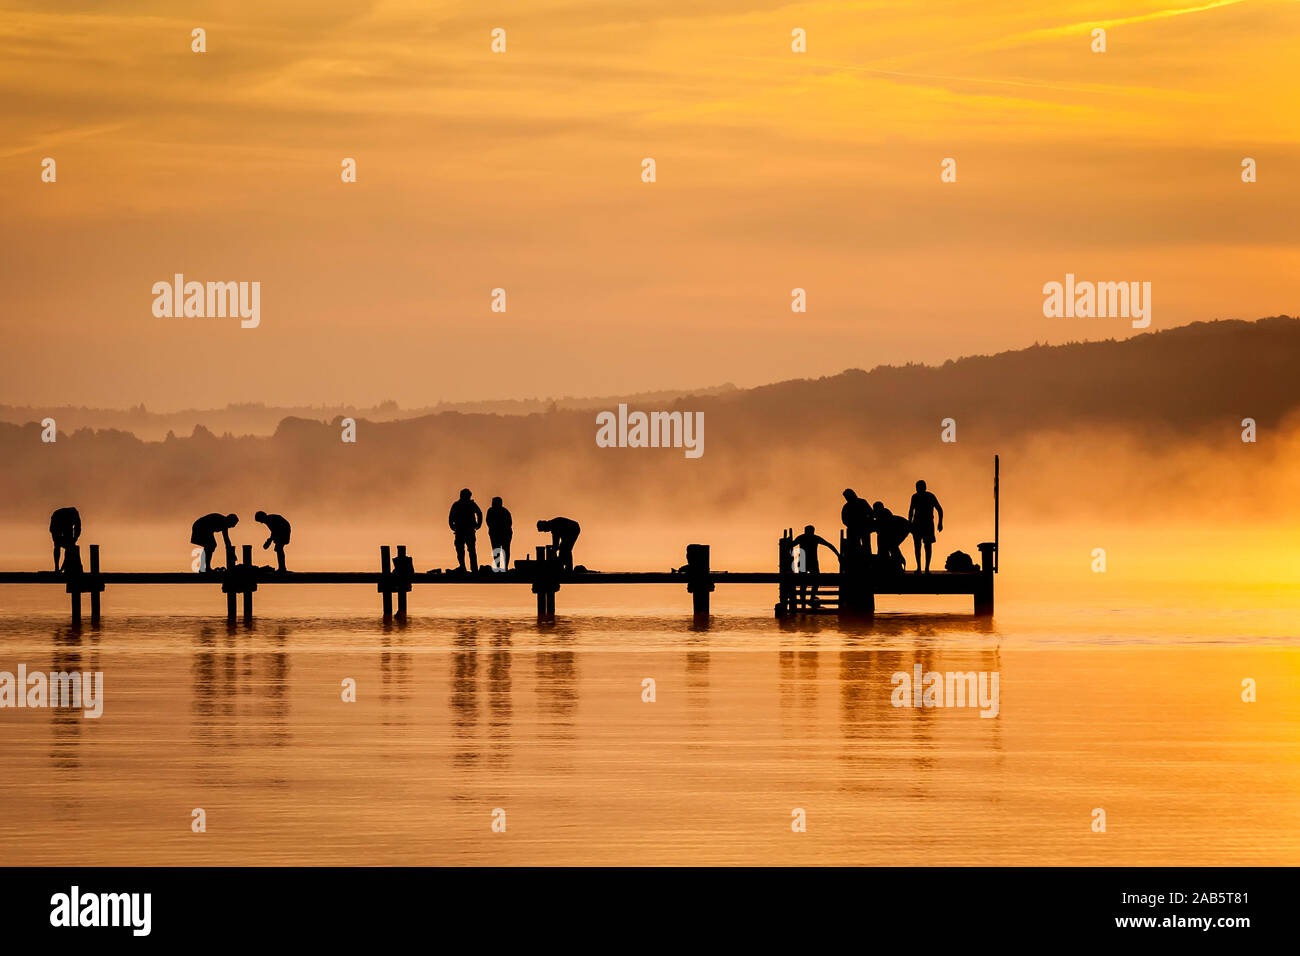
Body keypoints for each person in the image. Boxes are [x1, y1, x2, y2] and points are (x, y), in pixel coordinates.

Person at [792, 524, 839, 605]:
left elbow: (790, 546)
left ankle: (808, 600)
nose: (809, 533)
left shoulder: (803, 537)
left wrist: (838, 555)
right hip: (807, 562)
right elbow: (829, 545)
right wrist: (838, 555)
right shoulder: (812, 538)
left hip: (807, 562)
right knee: (808, 583)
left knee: (812, 582)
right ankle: (808, 600)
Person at [907, 480, 944, 573]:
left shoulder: (930, 496)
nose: (918, 489)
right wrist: (909, 523)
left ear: (924, 487)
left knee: (927, 546)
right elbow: (911, 511)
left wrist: (940, 523)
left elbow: (940, 509)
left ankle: (926, 568)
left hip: (927, 524)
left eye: (920, 487)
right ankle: (919, 567)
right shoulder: (915, 497)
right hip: (917, 524)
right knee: (918, 546)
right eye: (917, 487)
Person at [448, 489, 483, 572]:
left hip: (467, 530)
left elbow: (479, 513)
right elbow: (451, 516)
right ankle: (464, 567)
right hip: (461, 530)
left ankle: (472, 568)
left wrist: (479, 524)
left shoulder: (469, 504)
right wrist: (452, 525)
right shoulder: (458, 505)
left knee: (469, 550)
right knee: (462, 550)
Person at [872, 502, 912, 571]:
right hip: (900, 529)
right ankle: (896, 564)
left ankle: (898, 564)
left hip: (902, 529)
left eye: (876, 508)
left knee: (891, 546)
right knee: (890, 546)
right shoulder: (879, 514)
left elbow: (883, 527)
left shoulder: (884, 513)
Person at [841, 489, 872, 558]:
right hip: (853, 530)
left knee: (866, 546)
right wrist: (851, 525)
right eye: (846, 497)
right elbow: (844, 520)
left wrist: (867, 523)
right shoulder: (846, 507)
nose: (846, 498)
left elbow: (871, 513)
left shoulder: (862, 502)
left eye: (847, 496)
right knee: (855, 547)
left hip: (863, 528)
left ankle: (867, 560)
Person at [49, 506, 81, 572]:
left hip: (58, 520)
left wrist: (75, 538)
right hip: (56, 520)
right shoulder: (72, 517)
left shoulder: (74, 517)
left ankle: (61, 568)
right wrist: (74, 539)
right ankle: (57, 567)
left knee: (68, 546)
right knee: (59, 545)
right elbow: (77, 528)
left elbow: (77, 529)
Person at [485, 496, 512, 571]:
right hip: (495, 534)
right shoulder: (491, 511)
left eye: (494, 503)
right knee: (497, 550)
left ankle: (505, 567)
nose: (492, 504)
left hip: (505, 534)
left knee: (504, 550)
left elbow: (509, 523)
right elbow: (488, 522)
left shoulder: (504, 512)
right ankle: (498, 567)